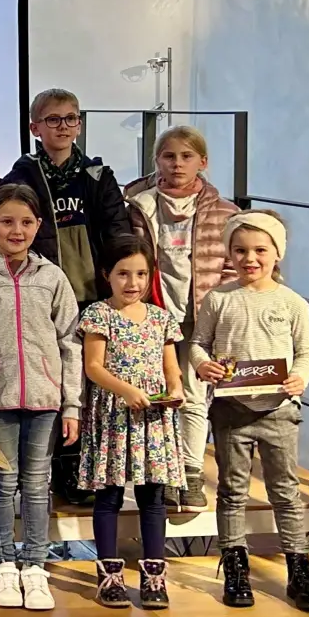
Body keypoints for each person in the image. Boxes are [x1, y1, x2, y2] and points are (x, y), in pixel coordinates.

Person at [1, 88, 134, 507]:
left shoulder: (97, 176)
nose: (63, 127)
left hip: (91, 291)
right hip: (45, 294)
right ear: (34, 127)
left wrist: (118, 282)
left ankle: (80, 472)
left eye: (71, 119)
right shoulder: (21, 176)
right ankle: (39, 473)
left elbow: (117, 229)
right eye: (53, 119)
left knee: (86, 385)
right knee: (49, 383)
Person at [190, 211, 309, 612]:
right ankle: (235, 568)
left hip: (279, 410)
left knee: (285, 491)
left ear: (276, 254)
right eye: (241, 250)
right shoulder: (218, 298)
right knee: (232, 491)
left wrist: (300, 378)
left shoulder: (292, 303)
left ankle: (300, 571)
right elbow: (199, 343)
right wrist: (203, 365)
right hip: (232, 409)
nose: (250, 258)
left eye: (260, 250)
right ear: (229, 253)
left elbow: (307, 352)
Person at [0, 185, 81, 612]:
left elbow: (69, 342)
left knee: (36, 484)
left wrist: (71, 404)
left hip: (46, 401)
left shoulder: (52, 277)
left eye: (26, 222)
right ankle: (5, 564)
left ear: (39, 226)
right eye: (7, 221)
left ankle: (34, 564)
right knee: (1, 483)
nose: (17, 230)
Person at [125, 126, 239, 510]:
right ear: (156, 160)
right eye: (169, 156)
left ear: (202, 162)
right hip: (154, 317)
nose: (177, 164)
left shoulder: (226, 213)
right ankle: (162, 471)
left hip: (199, 319)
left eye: (186, 156)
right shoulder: (139, 206)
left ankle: (190, 471)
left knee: (192, 394)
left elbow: (232, 267)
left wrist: (216, 309)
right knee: (156, 393)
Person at [78, 236, 184, 610]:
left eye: (140, 273)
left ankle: (155, 576)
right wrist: (125, 391)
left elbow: (172, 369)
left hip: (152, 419)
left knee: (152, 497)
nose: (132, 282)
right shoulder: (98, 314)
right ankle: (109, 575)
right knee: (108, 494)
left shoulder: (160, 317)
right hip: (113, 415)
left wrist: (175, 389)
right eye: (123, 274)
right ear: (108, 275)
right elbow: (93, 367)